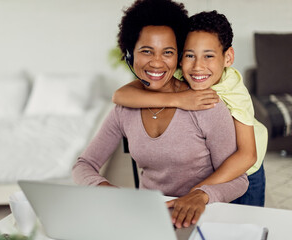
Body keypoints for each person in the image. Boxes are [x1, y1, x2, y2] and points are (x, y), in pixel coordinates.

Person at [72, 0, 248, 229]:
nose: (156, 63)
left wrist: (201, 195)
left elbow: (240, 180)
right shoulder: (124, 110)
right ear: (129, 55)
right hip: (148, 219)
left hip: (203, 219)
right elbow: (83, 165)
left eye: (168, 52)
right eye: (146, 51)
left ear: (178, 57)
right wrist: (105, 190)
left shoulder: (205, 104)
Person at [113, 10, 268, 207]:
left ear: (228, 57)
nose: (197, 67)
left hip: (245, 172)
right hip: (209, 168)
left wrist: (198, 191)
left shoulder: (233, 89)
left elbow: (247, 155)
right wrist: (179, 100)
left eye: (209, 56)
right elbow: (120, 95)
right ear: (179, 57)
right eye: (189, 55)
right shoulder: (177, 75)